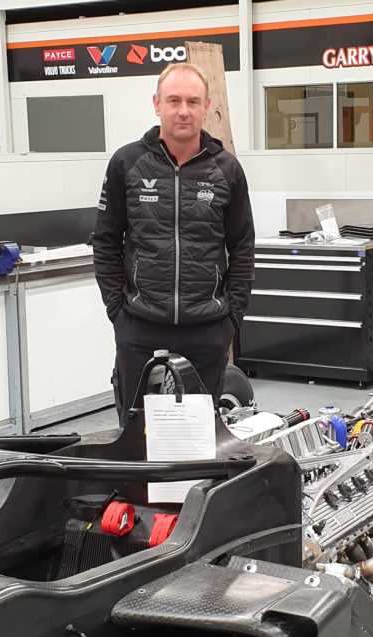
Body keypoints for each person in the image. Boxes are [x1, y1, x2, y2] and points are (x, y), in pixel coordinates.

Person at [93, 62, 254, 423]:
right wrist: (117, 311)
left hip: (207, 329)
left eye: (193, 101)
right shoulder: (127, 163)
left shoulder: (227, 169)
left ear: (206, 107)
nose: (184, 111)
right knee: (135, 435)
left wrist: (232, 318)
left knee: (196, 437)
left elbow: (243, 246)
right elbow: (105, 241)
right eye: (174, 100)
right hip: (140, 326)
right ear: (157, 104)